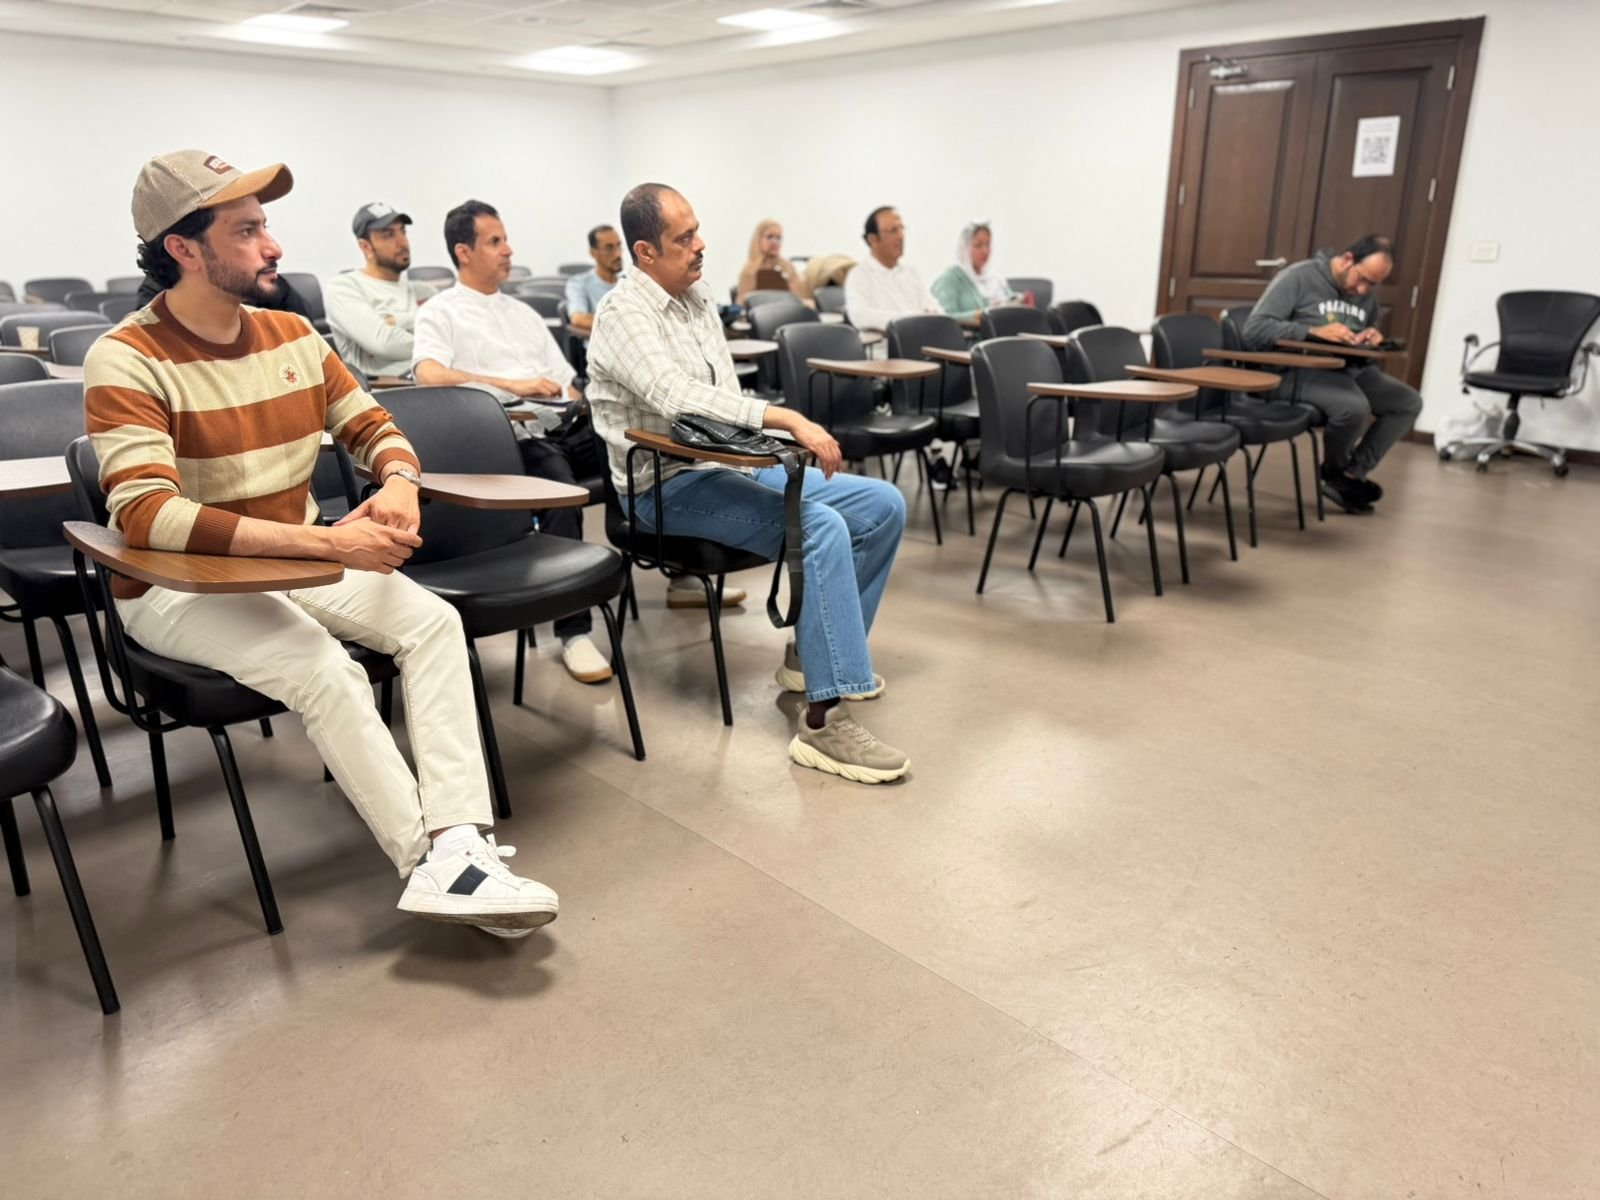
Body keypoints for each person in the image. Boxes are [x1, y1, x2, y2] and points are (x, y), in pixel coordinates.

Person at [86, 149, 558, 936]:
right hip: (176, 585)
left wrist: (399, 479)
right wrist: (332, 547)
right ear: (183, 249)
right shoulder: (126, 357)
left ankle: (457, 842)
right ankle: (431, 864)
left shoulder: (293, 333)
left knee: (433, 623)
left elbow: (374, 425)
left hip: (296, 556)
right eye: (246, 231)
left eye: (264, 226)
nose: (272, 245)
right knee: (322, 666)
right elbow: (147, 517)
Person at [587, 183, 910, 785]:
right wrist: (784, 419)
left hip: (726, 463)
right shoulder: (622, 313)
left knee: (882, 506)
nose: (700, 245)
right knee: (820, 527)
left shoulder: (696, 297)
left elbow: (725, 398)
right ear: (645, 252)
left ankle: (812, 657)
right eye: (684, 238)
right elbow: (674, 396)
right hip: (664, 486)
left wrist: (762, 446)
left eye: (697, 231)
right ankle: (823, 723)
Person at [411, 199, 612, 684]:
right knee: (558, 483)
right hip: (507, 438)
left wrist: (584, 409)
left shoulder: (523, 313)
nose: (508, 250)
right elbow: (428, 374)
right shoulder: (441, 312)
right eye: (495, 242)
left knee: (633, 447)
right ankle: (574, 630)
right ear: (463, 252)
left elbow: (566, 382)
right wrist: (513, 385)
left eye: (505, 240)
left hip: (560, 423)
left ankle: (678, 569)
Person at [1243, 233, 1423, 514]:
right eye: (1362, 279)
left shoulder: (1365, 296)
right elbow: (1254, 330)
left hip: (1344, 369)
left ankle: (1351, 475)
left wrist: (1369, 339)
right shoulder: (1298, 277)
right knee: (1353, 408)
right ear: (1347, 259)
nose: (1363, 290)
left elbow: (1359, 338)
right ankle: (1335, 473)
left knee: (1407, 402)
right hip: (1294, 370)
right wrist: (1311, 331)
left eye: (1373, 284)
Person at [325, 202, 432, 379]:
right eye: (388, 235)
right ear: (366, 247)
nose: (402, 242)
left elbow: (460, 335)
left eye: (403, 231)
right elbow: (385, 343)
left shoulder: (425, 291)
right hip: (389, 390)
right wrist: (438, 341)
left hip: (439, 380)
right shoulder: (343, 288)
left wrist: (397, 320)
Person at [843, 206, 940, 333]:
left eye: (902, 228)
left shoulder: (911, 272)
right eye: (893, 230)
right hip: (886, 344)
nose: (901, 236)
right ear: (873, 239)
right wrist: (912, 319)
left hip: (922, 340)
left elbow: (933, 308)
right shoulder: (859, 275)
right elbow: (860, 316)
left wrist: (930, 315)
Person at [931, 222, 1018, 324]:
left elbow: (1010, 300)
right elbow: (944, 319)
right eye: (978, 245)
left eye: (988, 244)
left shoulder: (995, 278)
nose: (985, 251)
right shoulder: (949, 280)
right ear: (964, 248)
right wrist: (979, 316)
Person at [736, 219, 814, 306]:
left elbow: (800, 297)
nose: (775, 242)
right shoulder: (749, 270)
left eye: (778, 238)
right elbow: (742, 303)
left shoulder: (787, 266)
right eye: (770, 237)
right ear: (758, 239)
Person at [564, 223, 623, 332]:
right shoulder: (579, 283)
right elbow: (577, 319)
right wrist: (621, 327)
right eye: (609, 248)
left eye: (618, 246)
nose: (618, 254)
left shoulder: (628, 283)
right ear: (593, 253)